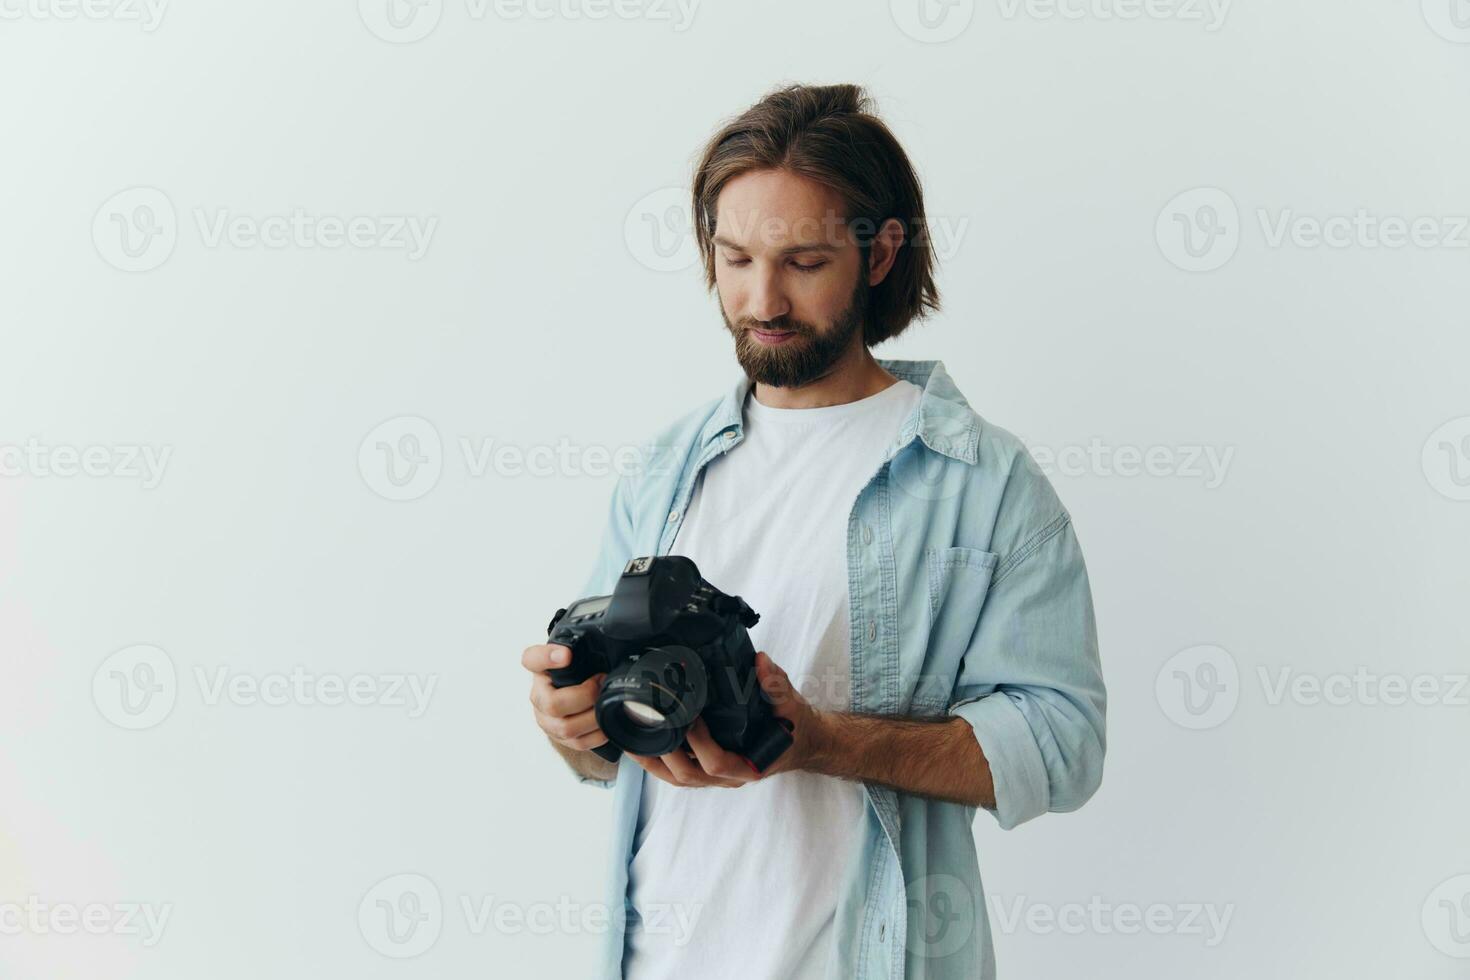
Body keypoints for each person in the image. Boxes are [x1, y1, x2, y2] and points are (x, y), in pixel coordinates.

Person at [521, 82, 1107, 980]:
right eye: (736, 259)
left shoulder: (984, 482)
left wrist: (827, 741)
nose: (763, 299)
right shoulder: (661, 469)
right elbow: (609, 742)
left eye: (802, 262)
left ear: (880, 255)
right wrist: (575, 725)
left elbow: (1063, 744)